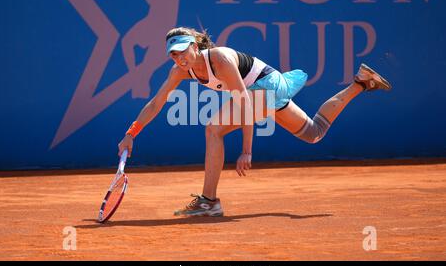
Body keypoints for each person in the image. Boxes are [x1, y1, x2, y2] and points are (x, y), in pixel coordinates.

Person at [117, 27, 392, 217]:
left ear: (195, 45)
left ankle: (209, 201)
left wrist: (247, 149)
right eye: (173, 55)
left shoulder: (219, 58)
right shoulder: (179, 72)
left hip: (266, 88)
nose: (179, 58)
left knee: (213, 128)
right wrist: (132, 132)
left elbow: (245, 103)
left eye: (182, 51)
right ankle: (361, 82)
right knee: (314, 133)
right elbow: (156, 103)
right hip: (267, 89)